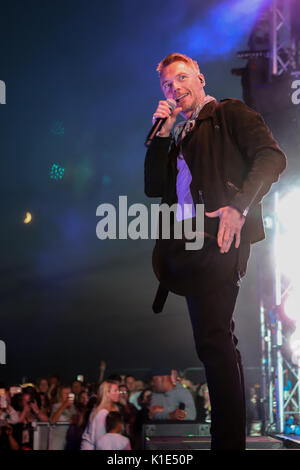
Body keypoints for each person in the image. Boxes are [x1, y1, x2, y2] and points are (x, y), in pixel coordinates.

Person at [144, 52, 286, 450]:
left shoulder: (227, 114)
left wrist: (240, 207)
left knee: (215, 340)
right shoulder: (177, 133)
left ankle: (228, 444)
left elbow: (272, 157)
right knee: (212, 341)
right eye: (168, 85)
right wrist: (159, 134)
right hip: (190, 246)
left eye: (182, 78)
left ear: (200, 78)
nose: (175, 88)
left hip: (222, 235)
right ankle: (228, 441)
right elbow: (154, 187)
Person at [80, 380, 120, 450]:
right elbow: (99, 439)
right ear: (107, 393)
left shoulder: (114, 409)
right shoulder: (102, 412)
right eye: (115, 390)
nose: (118, 393)